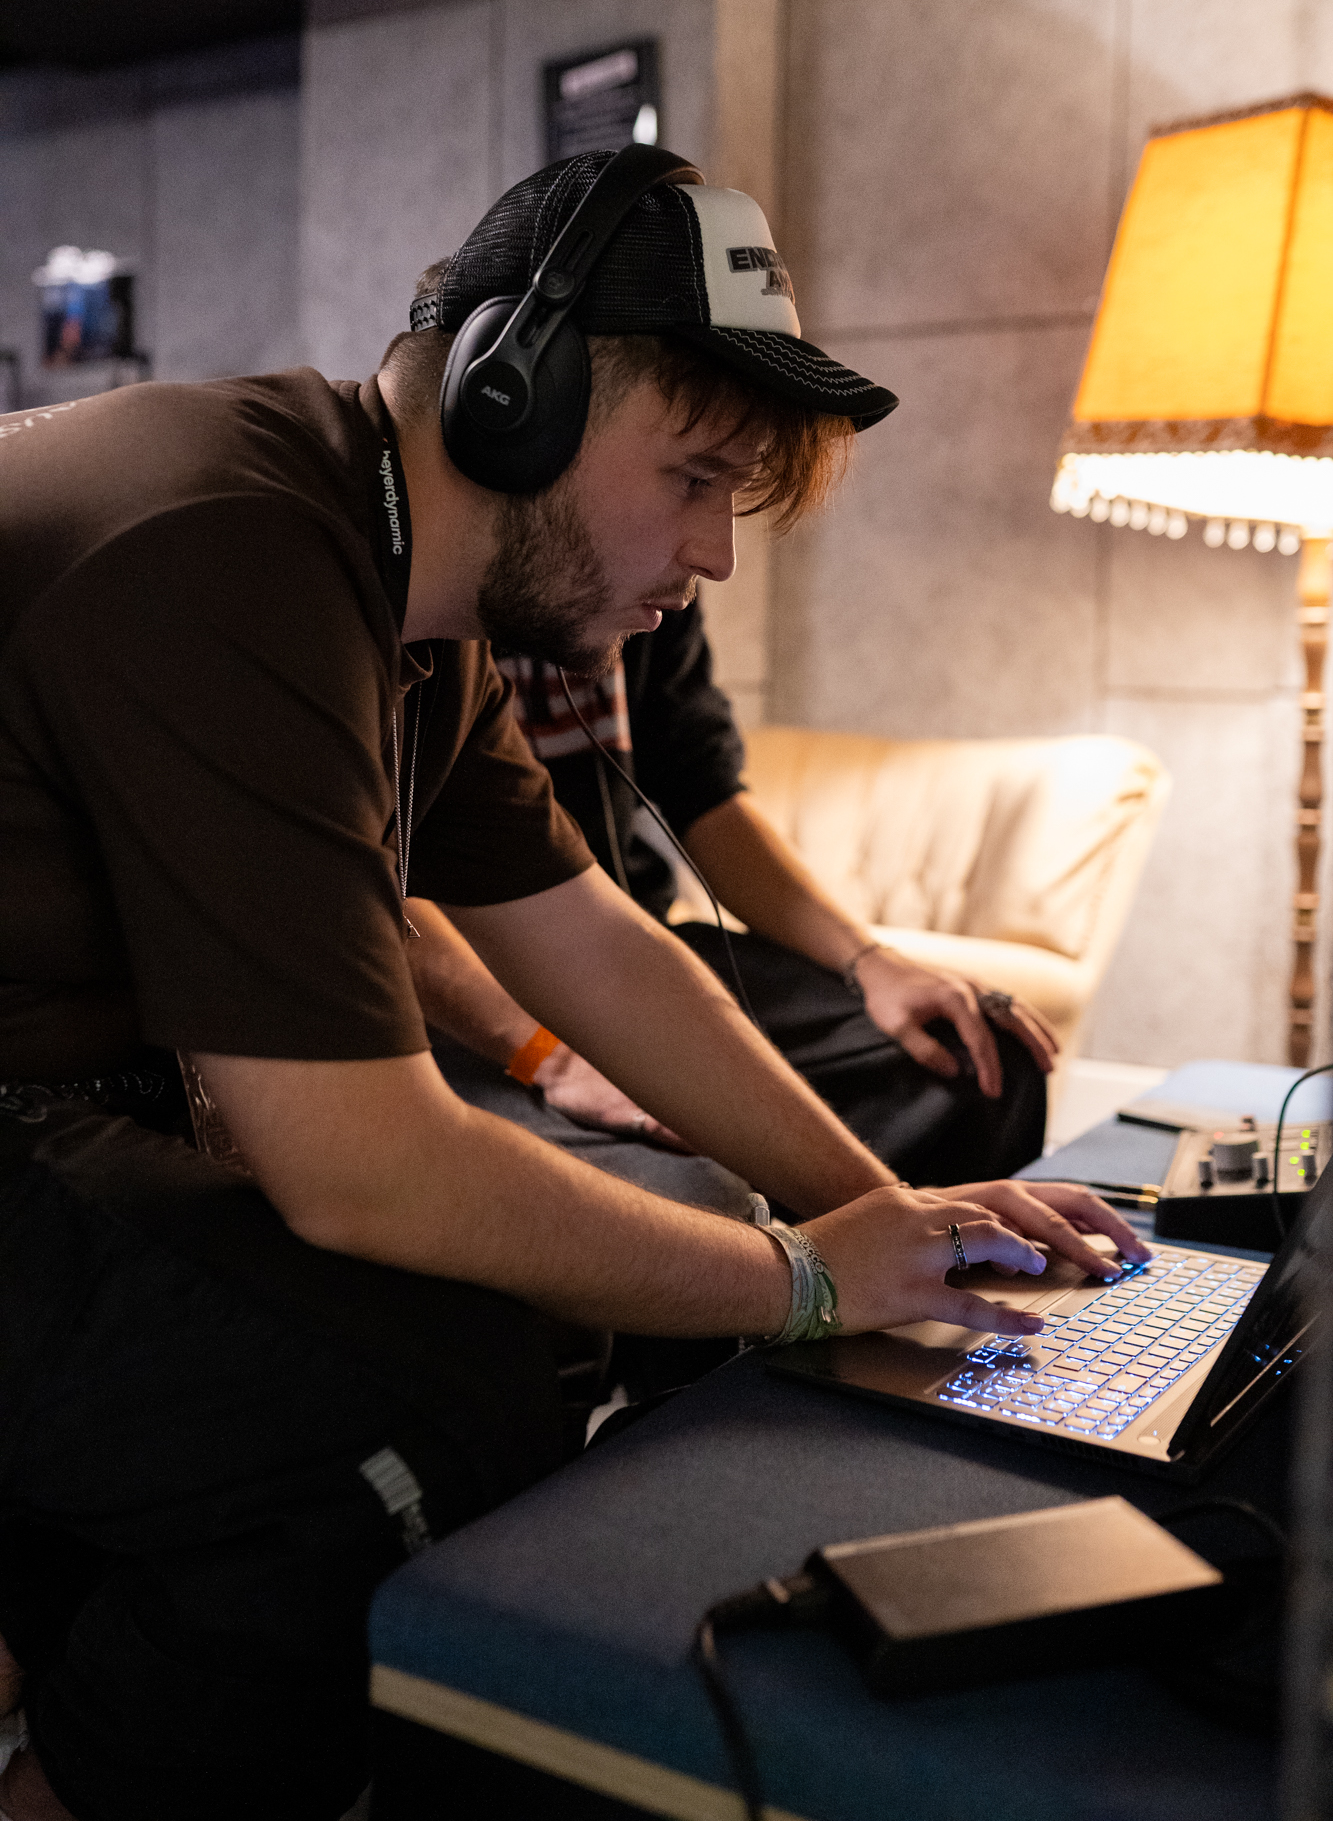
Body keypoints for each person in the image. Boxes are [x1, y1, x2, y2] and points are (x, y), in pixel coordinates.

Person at [0, 145, 1146, 1821]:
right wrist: (799, 1285)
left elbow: (594, 935)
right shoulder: (234, 542)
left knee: (471, 1352)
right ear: (509, 394)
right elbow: (357, 1165)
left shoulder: (415, 618)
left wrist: (883, 1214)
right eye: (692, 477)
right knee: (413, 1406)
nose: (714, 558)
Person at [424, 601, 1055, 1203]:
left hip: (625, 950)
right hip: (457, 998)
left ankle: (935, 1295)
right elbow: (382, 897)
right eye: (692, 483)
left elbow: (706, 796)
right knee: (692, 1193)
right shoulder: (423, 625)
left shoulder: (655, 581)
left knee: (982, 1057)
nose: (718, 557)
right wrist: (550, 1058)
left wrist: (869, 959)